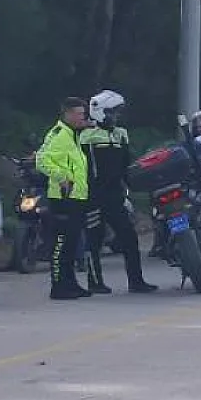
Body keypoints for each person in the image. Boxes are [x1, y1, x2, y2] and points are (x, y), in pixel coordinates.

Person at [79, 90, 158, 295]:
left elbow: (126, 165)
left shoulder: (120, 134)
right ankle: (95, 282)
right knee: (94, 240)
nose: (116, 117)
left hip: (116, 195)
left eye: (117, 113)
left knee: (129, 237)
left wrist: (130, 189)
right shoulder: (86, 135)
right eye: (113, 112)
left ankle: (136, 281)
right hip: (93, 195)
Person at [38, 97, 93, 300]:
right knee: (60, 244)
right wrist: (62, 178)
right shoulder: (59, 134)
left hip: (76, 197)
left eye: (83, 114)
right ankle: (58, 286)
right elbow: (41, 161)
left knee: (71, 243)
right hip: (62, 198)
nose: (82, 118)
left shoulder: (73, 135)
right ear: (68, 114)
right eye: (79, 114)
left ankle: (70, 283)